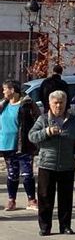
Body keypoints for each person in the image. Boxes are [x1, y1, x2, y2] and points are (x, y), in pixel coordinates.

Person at [29, 90, 75, 236]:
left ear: (66, 104)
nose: (59, 106)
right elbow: (32, 136)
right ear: (50, 104)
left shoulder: (73, 121)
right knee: (45, 197)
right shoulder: (43, 119)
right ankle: (45, 227)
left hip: (67, 165)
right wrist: (46, 132)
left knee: (66, 198)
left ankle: (65, 226)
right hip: (47, 164)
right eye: (56, 103)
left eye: (61, 103)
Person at [0, 79, 40, 211]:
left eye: (5, 89)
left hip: (23, 145)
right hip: (6, 144)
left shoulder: (26, 104)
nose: (3, 91)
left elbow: (38, 119)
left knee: (27, 173)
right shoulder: (3, 104)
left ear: (13, 90)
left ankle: (31, 200)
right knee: (12, 174)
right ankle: (12, 200)